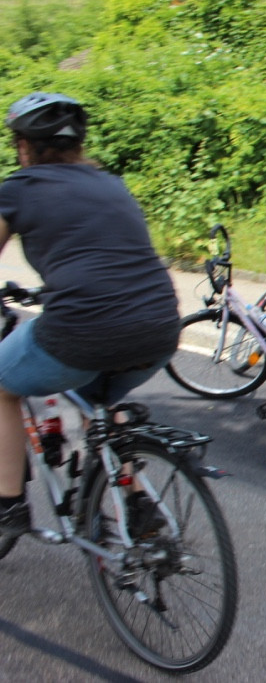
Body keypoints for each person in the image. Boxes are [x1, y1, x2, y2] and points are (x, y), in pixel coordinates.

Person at [0, 92, 181, 536]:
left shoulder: (18, 189)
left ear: (24, 146)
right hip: (160, 328)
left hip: (81, 332)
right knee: (97, 401)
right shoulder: (111, 183)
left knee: (1, 387)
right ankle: (139, 504)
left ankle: (8, 505)